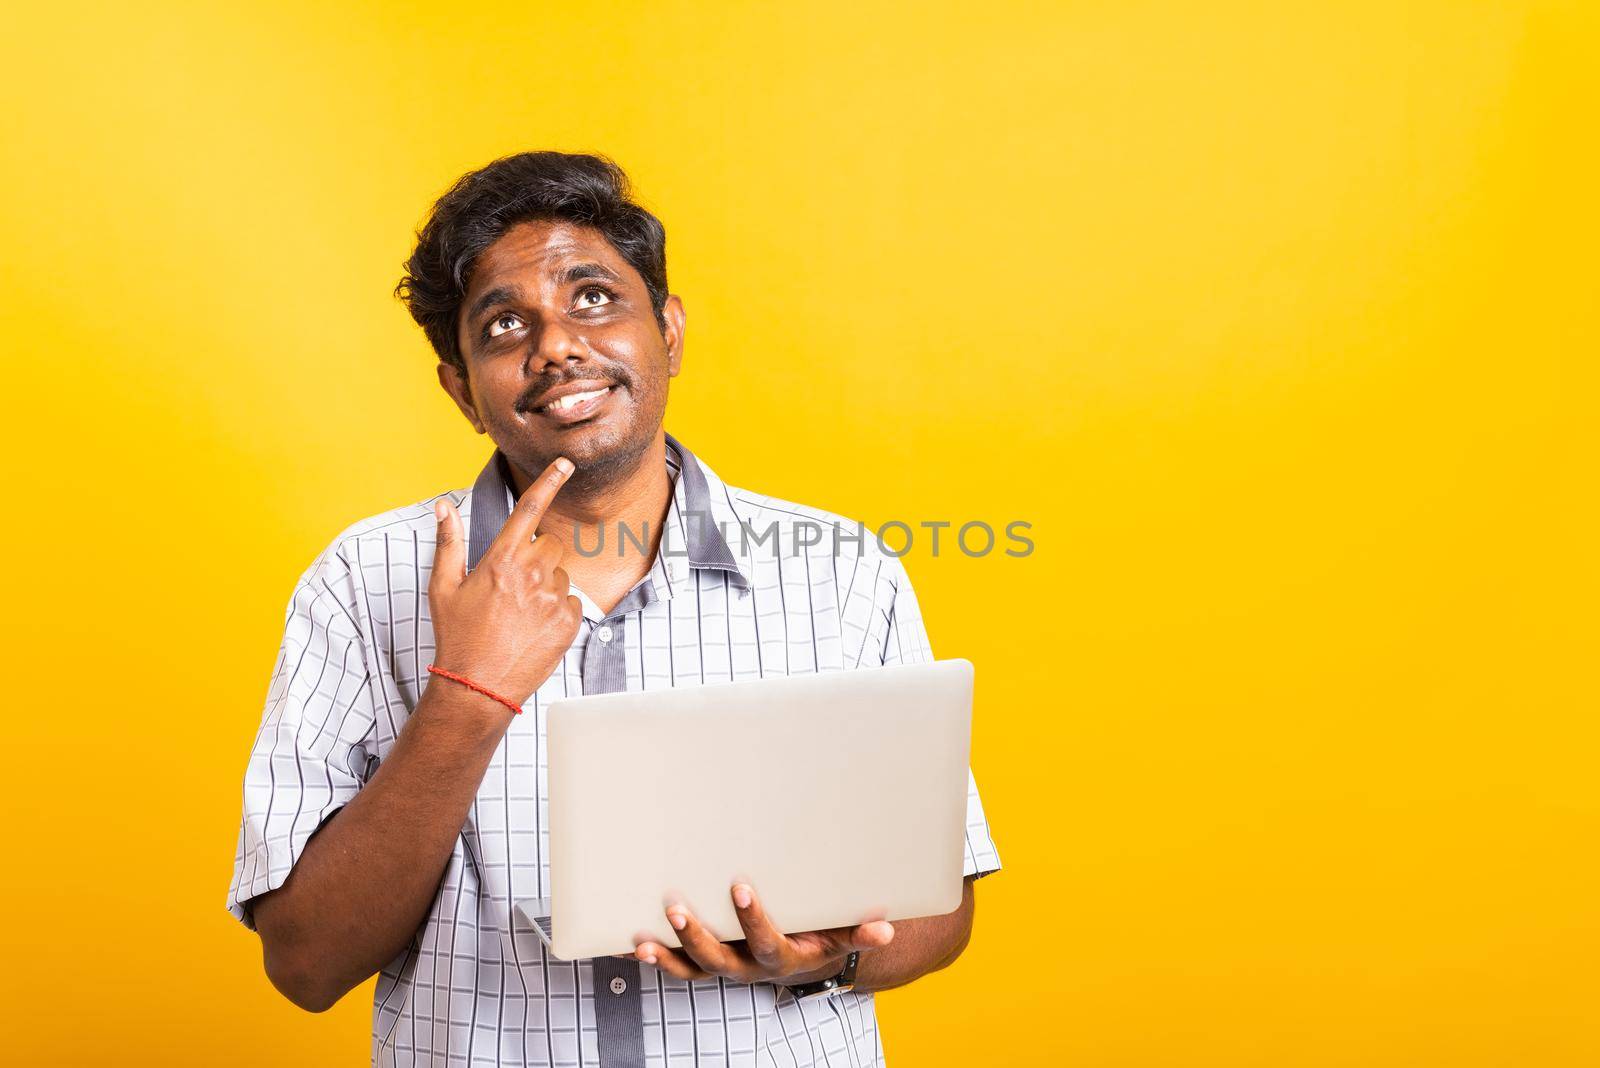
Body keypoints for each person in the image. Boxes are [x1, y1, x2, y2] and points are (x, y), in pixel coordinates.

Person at [226, 151, 1002, 1067]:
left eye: (593, 297)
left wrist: (820, 960)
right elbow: (307, 963)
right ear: (463, 391)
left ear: (668, 331)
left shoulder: (843, 573)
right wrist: (469, 692)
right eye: (505, 323)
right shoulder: (362, 582)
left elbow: (940, 909)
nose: (556, 344)